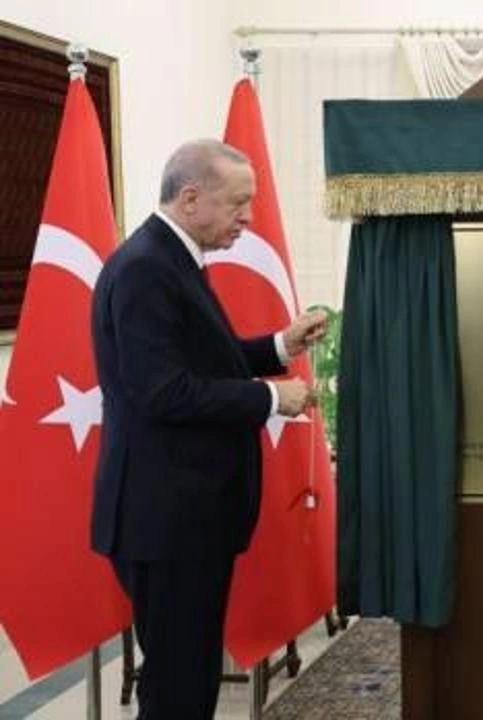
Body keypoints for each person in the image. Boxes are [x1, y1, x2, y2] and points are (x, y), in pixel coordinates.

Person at [90, 139, 328, 718]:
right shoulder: (146, 268)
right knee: (180, 686)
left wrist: (280, 345)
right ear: (191, 198)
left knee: (188, 676)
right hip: (166, 518)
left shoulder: (170, 258)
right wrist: (270, 397)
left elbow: (202, 363)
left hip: (185, 515)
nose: (248, 217)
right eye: (238, 202)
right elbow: (162, 392)